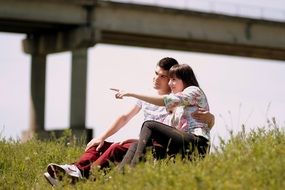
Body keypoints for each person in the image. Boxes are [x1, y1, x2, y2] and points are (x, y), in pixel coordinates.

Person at [43, 59, 214, 186]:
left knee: (141, 131)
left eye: (169, 78)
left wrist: (211, 119)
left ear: (183, 79)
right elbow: (125, 116)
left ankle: (89, 176)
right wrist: (101, 136)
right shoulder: (175, 100)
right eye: (159, 75)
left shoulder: (184, 96)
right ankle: (79, 173)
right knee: (101, 145)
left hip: (174, 144)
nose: (165, 81)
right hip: (162, 143)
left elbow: (188, 117)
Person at [115, 64, 210, 168]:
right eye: (169, 80)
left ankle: (134, 169)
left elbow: (166, 101)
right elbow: (169, 130)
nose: (170, 83)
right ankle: (122, 178)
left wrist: (131, 93)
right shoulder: (180, 108)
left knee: (149, 125)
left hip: (197, 144)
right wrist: (140, 139)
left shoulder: (193, 91)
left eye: (173, 79)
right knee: (135, 145)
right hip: (182, 146)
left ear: (185, 79)